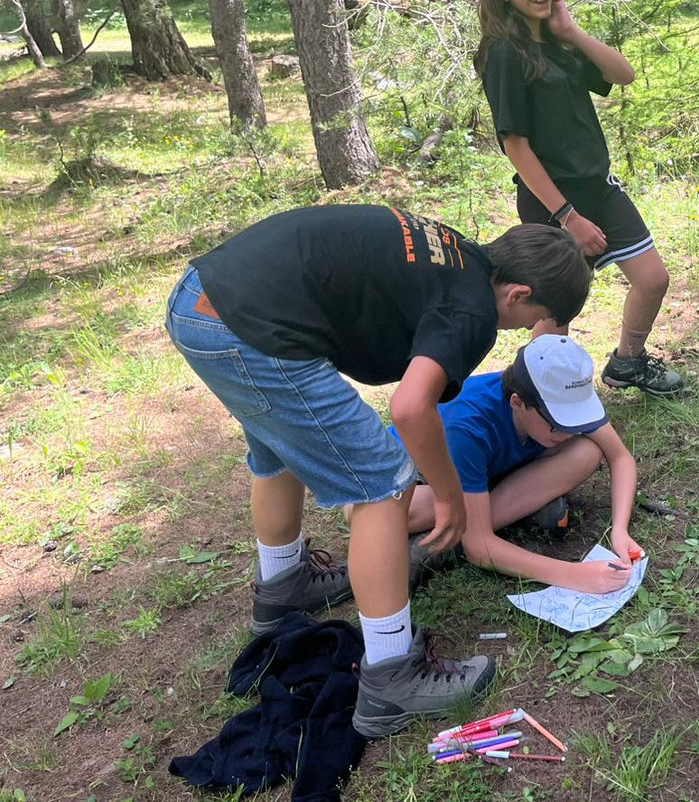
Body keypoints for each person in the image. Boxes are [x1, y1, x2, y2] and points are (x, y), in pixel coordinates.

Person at [163, 205, 592, 737]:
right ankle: (391, 675)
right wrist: (448, 494)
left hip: (204, 298)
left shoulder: (459, 255)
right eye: (530, 321)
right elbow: (411, 408)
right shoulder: (475, 310)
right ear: (518, 295)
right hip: (245, 326)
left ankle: (283, 588)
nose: (521, 331)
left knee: (279, 449)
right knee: (384, 481)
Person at [475, 0, 685, 397]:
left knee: (653, 279)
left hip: (600, 188)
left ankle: (627, 363)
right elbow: (516, 145)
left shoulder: (559, 40)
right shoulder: (504, 54)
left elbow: (622, 74)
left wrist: (570, 31)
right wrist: (568, 218)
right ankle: (539, 401)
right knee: (554, 313)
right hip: (553, 204)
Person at [401, 334, 642, 592]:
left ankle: (455, 531)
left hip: (488, 474)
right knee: (401, 511)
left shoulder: (563, 390)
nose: (568, 432)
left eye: (575, 420)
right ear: (517, 402)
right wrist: (575, 574)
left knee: (587, 452)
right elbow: (479, 549)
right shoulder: (466, 427)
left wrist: (619, 531)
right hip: (425, 476)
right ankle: (465, 530)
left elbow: (620, 457)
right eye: (557, 422)